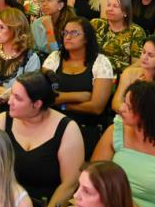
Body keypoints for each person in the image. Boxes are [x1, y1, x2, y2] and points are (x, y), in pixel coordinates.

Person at [0, 72, 84, 207]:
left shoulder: (67, 129)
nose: (10, 102)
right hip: (1, 204)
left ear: (37, 104)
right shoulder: (3, 120)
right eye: (12, 95)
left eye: (18, 98)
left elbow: (69, 184)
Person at [43, 16, 115, 154]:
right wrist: (80, 95)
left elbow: (96, 107)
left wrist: (62, 104)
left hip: (85, 128)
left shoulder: (101, 62)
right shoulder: (54, 58)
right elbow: (45, 95)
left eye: (74, 33)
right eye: (65, 33)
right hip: (52, 124)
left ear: (87, 38)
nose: (67, 37)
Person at [0, 7, 41, 94]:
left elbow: (28, 93)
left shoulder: (31, 59)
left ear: (16, 30)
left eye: (1, 27)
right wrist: (9, 92)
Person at [113, 34, 155, 111]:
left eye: (150, 55)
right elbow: (116, 103)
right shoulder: (129, 73)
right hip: (127, 118)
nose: (144, 57)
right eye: (143, 52)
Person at [91, 0, 146, 74]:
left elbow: (137, 63)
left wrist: (124, 76)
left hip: (119, 75)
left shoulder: (136, 32)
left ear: (125, 12)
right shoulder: (96, 24)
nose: (110, 9)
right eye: (108, 5)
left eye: (115, 6)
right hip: (92, 70)